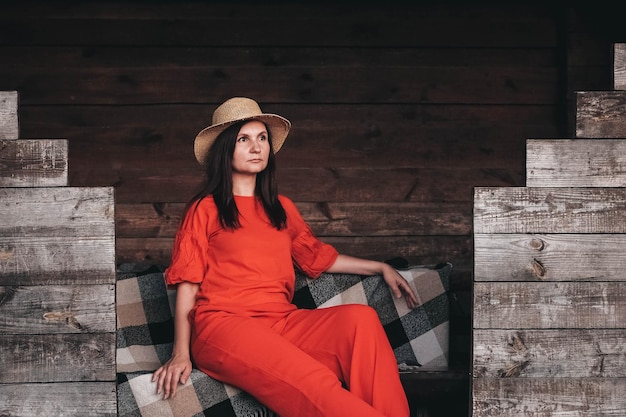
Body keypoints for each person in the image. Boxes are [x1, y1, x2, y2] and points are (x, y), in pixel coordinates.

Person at [152, 97, 418, 417]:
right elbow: (188, 283)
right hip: (223, 326)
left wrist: (381, 266)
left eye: (262, 138)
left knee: (361, 320)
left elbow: (318, 258)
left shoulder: (282, 208)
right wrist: (181, 352)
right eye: (244, 139)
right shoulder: (204, 208)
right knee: (314, 381)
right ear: (225, 149)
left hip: (281, 322)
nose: (257, 147)